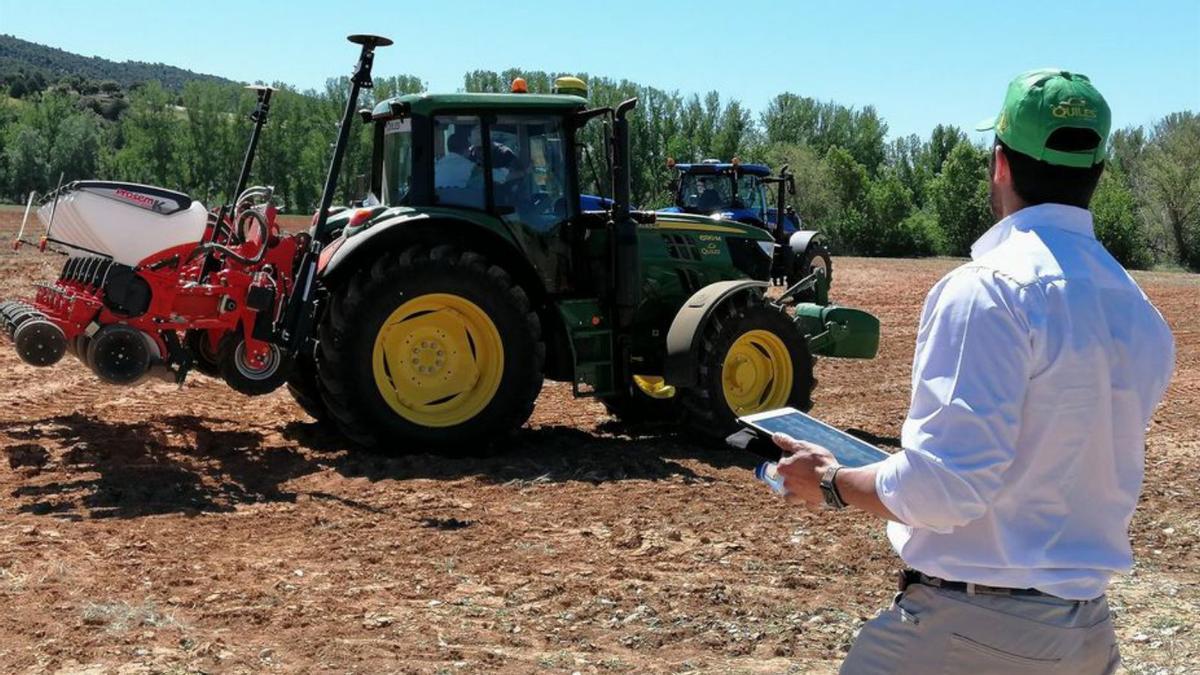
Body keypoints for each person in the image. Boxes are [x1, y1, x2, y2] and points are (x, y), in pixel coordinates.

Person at [772, 69, 1174, 674]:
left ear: (1000, 164)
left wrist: (831, 481)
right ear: (1098, 172)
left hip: (971, 633)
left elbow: (944, 489)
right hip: (1086, 634)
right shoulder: (1136, 309)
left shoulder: (989, 290)